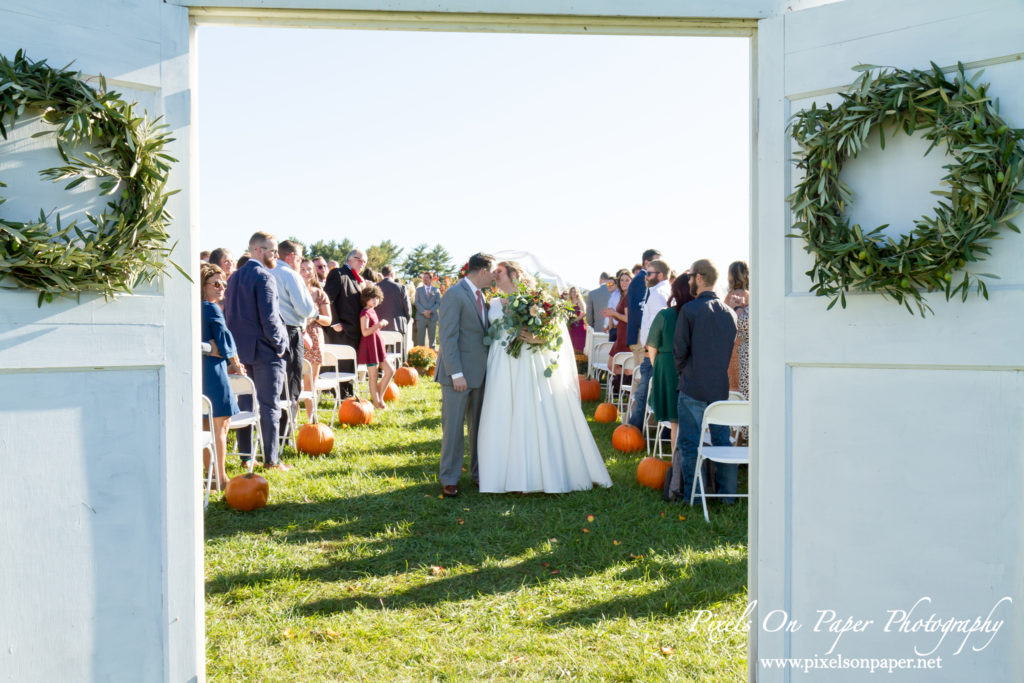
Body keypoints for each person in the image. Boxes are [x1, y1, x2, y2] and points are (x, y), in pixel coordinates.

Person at [478, 262, 612, 494]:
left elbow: (552, 334)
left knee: (528, 410)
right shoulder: (492, 303)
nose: (494, 275)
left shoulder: (535, 301)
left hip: (528, 362)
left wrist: (535, 337)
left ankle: (536, 474)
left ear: (513, 274)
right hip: (501, 362)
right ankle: (502, 475)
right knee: (503, 412)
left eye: (498, 272)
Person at [665, 259, 738, 503]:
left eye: (690, 277)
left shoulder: (689, 310)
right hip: (719, 386)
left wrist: (684, 374)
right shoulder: (730, 314)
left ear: (698, 277)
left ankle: (692, 497)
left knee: (689, 443)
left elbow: (679, 352)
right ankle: (728, 496)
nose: (688, 281)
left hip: (693, 386)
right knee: (722, 442)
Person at [224, 231, 292, 471]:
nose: (275, 255)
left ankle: (246, 457)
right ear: (257, 250)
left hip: (241, 352)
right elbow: (270, 318)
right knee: (269, 405)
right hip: (265, 352)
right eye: (272, 251)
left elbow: (229, 316)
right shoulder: (264, 277)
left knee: (245, 404)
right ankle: (271, 460)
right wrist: (280, 345)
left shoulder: (233, 278)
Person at [434, 253, 495, 498]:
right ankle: (449, 478)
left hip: (480, 374)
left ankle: (479, 474)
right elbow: (447, 338)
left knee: (479, 427)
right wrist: (456, 374)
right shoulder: (454, 294)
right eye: (492, 272)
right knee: (454, 428)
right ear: (482, 271)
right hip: (456, 376)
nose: (494, 276)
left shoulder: (483, 297)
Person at [200, 263, 244, 488]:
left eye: (224, 283)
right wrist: (236, 363)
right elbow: (225, 340)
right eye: (216, 284)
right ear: (203, 285)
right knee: (221, 425)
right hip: (215, 373)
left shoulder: (195, 308)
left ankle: (210, 475)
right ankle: (222, 477)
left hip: (200, 373)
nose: (221, 288)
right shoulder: (211, 308)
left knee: (206, 426)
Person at [271, 240, 317, 435]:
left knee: (275, 384)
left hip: (270, 333)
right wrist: (314, 311)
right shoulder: (290, 275)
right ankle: (286, 433)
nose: (299, 262)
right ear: (290, 257)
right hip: (290, 332)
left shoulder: (268, 272)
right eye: (299, 258)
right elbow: (304, 308)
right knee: (290, 384)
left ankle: (274, 433)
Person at [645, 273, 692, 455]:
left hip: (667, 366)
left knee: (676, 423)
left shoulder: (665, 315)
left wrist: (659, 367)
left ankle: (676, 467)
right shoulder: (697, 314)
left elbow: (652, 345)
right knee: (682, 420)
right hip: (690, 366)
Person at [628, 259, 671, 429]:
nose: (645, 277)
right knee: (646, 394)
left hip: (655, 353)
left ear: (660, 275)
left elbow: (660, 326)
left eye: (649, 273)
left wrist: (651, 352)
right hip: (655, 352)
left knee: (643, 394)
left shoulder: (659, 294)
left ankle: (634, 431)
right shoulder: (657, 291)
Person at [301, 258, 332, 419]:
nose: (307, 272)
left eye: (309, 269)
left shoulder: (319, 293)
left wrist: (314, 316)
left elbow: (328, 320)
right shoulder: (292, 290)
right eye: (303, 269)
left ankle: (310, 419)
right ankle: (290, 420)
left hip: (313, 337)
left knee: (310, 382)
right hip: (295, 336)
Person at [358, 284, 396, 410]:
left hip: (377, 346)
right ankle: (376, 403)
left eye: (377, 298)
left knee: (390, 370)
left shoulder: (372, 311)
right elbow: (365, 332)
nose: (375, 301)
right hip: (370, 346)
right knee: (373, 376)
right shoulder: (365, 312)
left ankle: (380, 397)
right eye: (372, 298)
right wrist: (379, 325)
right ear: (366, 298)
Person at [323, 248, 366, 354]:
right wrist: (334, 322)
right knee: (339, 369)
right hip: (341, 333)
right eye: (359, 259)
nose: (362, 263)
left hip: (354, 333)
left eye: (364, 262)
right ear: (349, 259)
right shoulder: (338, 273)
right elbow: (327, 299)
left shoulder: (357, 279)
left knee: (350, 369)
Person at [602, 269, 632, 395]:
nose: (624, 282)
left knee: (628, 368)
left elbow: (628, 319)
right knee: (611, 365)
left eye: (627, 280)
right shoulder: (622, 296)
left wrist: (614, 313)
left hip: (626, 335)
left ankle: (625, 389)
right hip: (620, 335)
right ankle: (623, 386)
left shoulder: (629, 297)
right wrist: (612, 316)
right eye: (621, 280)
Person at [725, 261, 750, 397]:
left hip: (731, 347)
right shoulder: (748, 295)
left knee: (732, 390)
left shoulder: (729, 297)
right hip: (743, 347)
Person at [376, 264, 412, 351]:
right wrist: (406, 320)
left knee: (381, 356)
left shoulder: (375, 287)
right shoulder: (401, 287)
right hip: (397, 327)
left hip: (379, 326)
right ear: (392, 274)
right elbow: (408, 309)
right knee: (397, 356)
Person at [414, 271, 441, 348]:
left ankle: (433, 356)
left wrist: (430, 311)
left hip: (432, 317)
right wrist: (424, 312)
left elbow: (438, 303)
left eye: (426, 277)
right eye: (423, 277)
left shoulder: (436, 290)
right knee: (420, 339)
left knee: (432, 339)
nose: (424, 279)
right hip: (421, 317)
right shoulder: (418, 290)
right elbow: (417, 302)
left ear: (430, 279)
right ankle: (421, 356)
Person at [567, 286, 587, 352]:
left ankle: (580, 360)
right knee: (571, 341)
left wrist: (575, 320)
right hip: (570, 325)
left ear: (578, 292)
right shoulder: (569, 301)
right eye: (572, 291)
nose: (574, 293)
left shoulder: (579, 301)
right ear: (570, 292)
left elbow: (584, 312)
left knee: (579, 342)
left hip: (578, 325)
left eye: (575, 291)